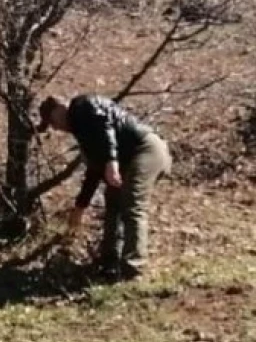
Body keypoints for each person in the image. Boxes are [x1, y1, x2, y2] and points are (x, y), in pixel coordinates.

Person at [36, 94, 171, 281]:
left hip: (145, 150)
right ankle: (109, 263)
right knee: (113, 204)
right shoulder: (82, 131)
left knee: (132, 204)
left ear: (59, 109)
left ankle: (133, 269)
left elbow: (105, 126)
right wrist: (80, 207)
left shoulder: (83, 106)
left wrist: (112, 162)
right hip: (126, 159)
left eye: (52, 121)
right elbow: (93, 172)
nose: (55, 128)